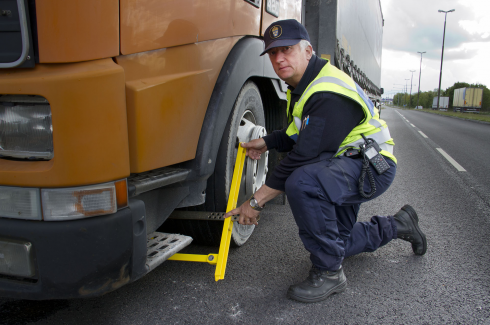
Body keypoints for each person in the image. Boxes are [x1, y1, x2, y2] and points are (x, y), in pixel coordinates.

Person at [225, 19, 427, 303]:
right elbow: (297, 135)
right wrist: (267, 141)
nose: (279, 58)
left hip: (370, 167)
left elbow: (303, 157)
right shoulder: (303, 86)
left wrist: (255, 202)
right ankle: (399, 225)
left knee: (302, 182)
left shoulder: (327, 90)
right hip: (345, 165)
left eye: (287, 49)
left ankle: (329, 273)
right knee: (337, 242)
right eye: (273, 53)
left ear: (308, 51)